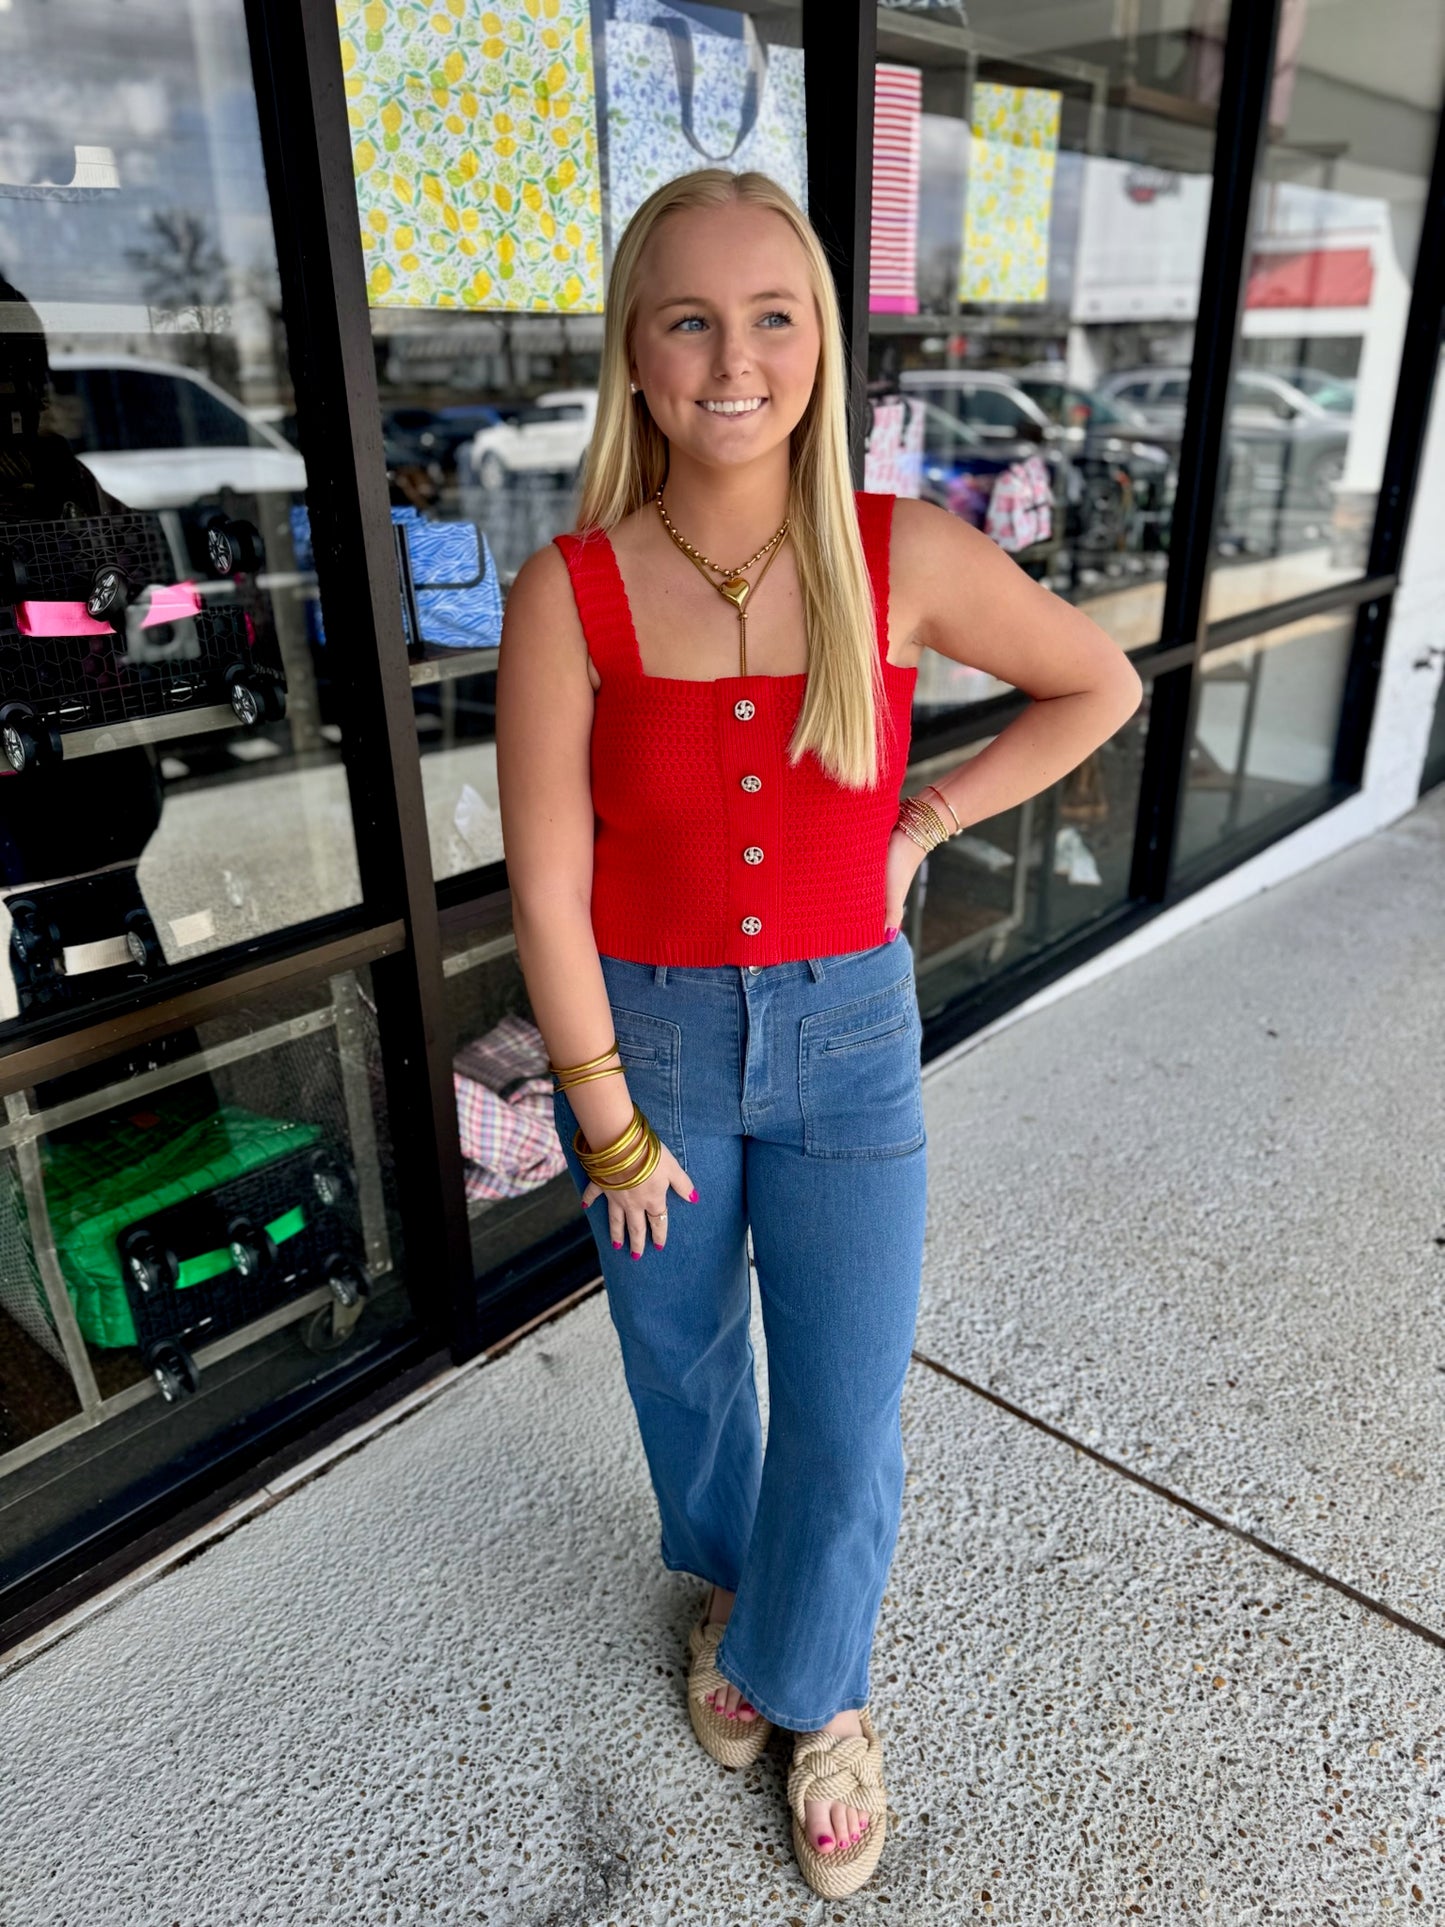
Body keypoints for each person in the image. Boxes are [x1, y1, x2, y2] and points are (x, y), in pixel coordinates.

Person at [495, 168, 1142, 1900]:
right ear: (634, 354)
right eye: (690, 317)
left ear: (820, 345)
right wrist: (606, 1116)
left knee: (847, 1410)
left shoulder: (897, 554)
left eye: (773, 314)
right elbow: (548, 891)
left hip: (848, 1036)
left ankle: (820, 1689)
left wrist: (924, 819)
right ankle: (733, 1586)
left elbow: (1100, 681)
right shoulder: (573, 590)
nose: (734, 355)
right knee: (685, 1366)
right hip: (647, 1049)